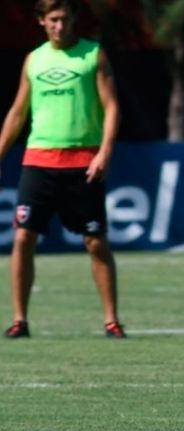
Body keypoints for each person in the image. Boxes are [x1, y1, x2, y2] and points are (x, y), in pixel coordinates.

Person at [0, 0, 125, 339]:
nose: (59, 26)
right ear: (41, 21)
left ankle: (111, 320)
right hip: (38, 160)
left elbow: (112, 107)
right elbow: (17, 112)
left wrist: (105, 153)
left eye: (65, 19)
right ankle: (20, 320)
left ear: (73, 20)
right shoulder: (34, 60)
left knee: (95, 243)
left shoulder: (92, 55)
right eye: (53, 19)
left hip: (83, 161)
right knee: (23, 236)